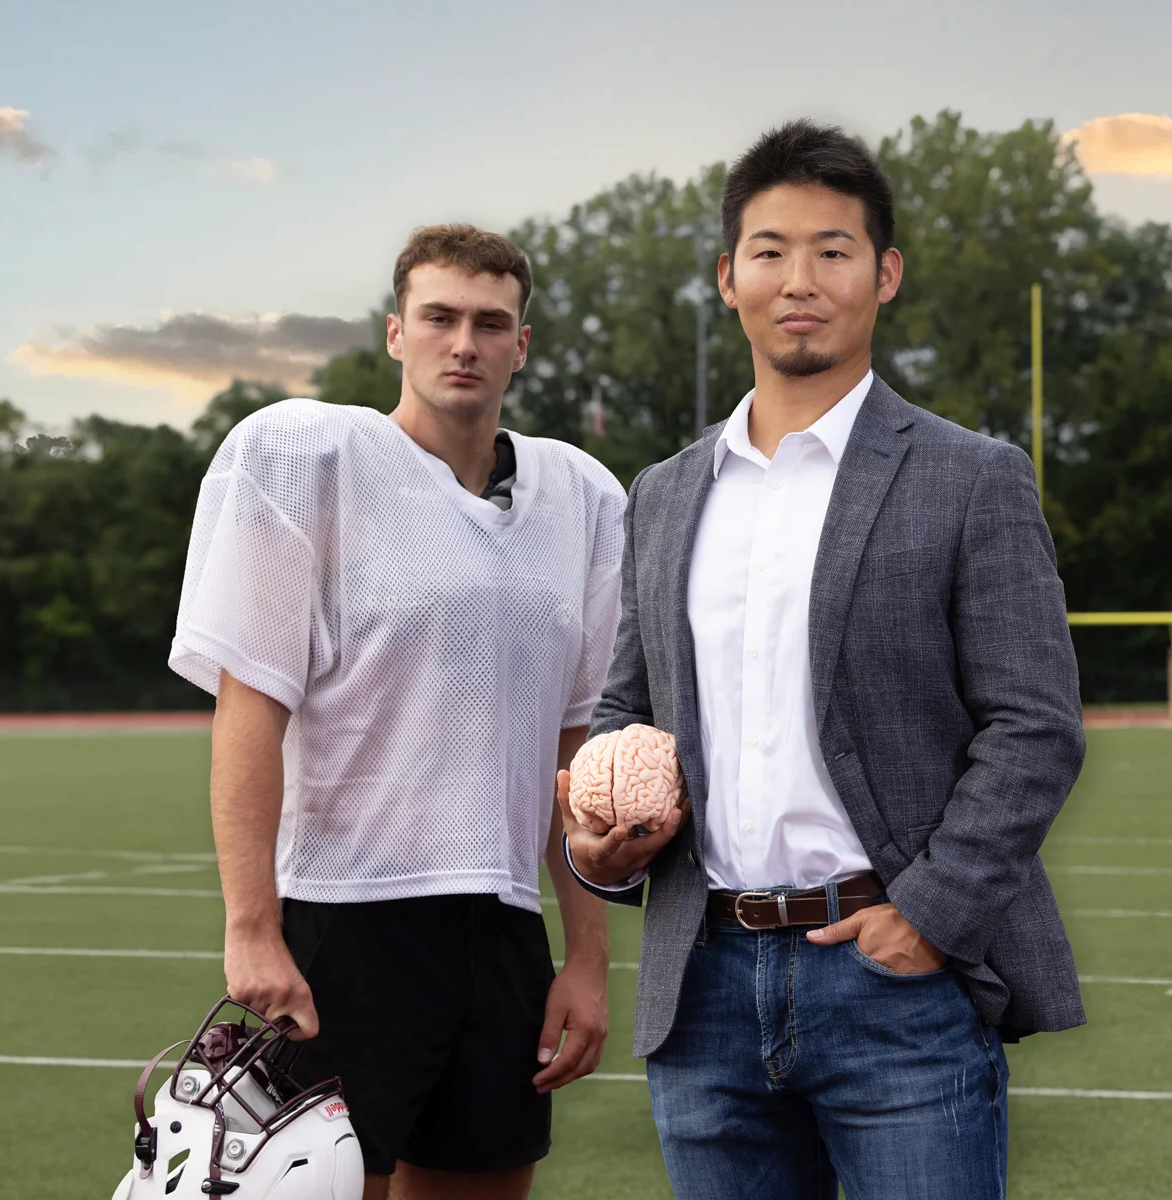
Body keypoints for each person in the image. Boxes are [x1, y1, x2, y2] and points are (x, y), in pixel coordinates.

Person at [564, 121, 1087, 1200]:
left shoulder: (969, 477)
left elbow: (1034, 726)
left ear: (884, 274)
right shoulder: (663, 492)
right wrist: (599, 845)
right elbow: (628, 704)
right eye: (770, 251)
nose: (799, 279)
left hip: (889, 979)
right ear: (728, 278)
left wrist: (930, 916)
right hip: (701, 982)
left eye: (834, 250)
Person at [169, 224, 624, 1200]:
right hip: (346, 916)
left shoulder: (581, 499)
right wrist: (252, 926)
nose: (464, 342)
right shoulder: (310, 460)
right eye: (440, 317)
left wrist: (586, 957)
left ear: (521, 344)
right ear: (396, 333)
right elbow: (251, 707)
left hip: (501, 926)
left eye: (490, 322)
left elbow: (575, 748)